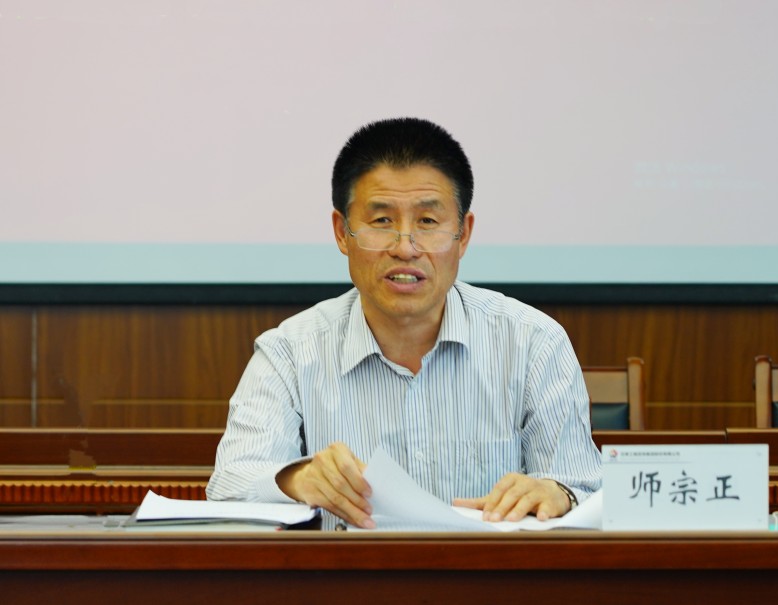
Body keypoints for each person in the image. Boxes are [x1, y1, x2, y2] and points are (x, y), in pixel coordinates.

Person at [206, 117, 601, 529]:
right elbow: (229, 487)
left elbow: (586, 489)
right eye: (382, 221)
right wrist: (298, 479)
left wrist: (560, 494)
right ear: (342, 232)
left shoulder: (533, 343)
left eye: (428, 222)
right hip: (346, 571)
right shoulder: (289, 352)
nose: (405, 247)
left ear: (463, 235)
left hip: (489, 571)